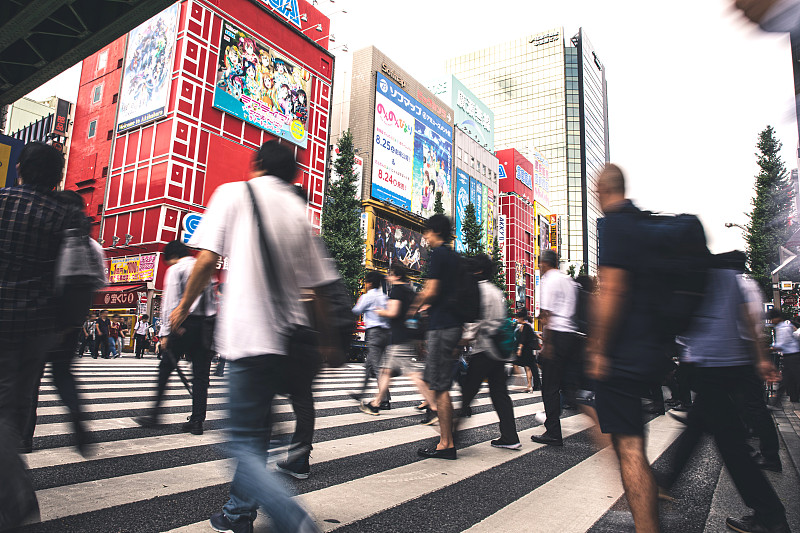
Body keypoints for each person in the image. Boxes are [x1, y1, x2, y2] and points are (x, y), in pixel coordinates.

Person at [171, 140, 333, 533]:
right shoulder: (298, 211)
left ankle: (293, 519)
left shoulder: (233, 193)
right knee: (256, 437)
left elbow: (207, 259)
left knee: (241, 440)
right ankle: (238, 511)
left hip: (246, 338)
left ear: (256, 162)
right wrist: (328, 343)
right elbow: (320, 287)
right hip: (287, 343)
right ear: (292, 173)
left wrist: (182, 307)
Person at [656, 253, 789, 533]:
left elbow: (686, 322)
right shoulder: (733, 280)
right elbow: (747, 325)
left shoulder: (707, 277)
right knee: (700, 428)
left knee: (731, 445)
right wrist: (759, 358)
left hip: (713, 366)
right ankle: (665, 482)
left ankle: (771, 516)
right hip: (729, 365)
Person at [0, 142, 80, 529]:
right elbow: (71, 275)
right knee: (14, 406)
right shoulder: (62, 214)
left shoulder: (1, 202)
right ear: (57, 178)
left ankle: (17, 497)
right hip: (37, 327)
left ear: (20, 169)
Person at [587, 164, 664, 533]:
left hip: (622, 351)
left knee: (629, 447)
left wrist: (600, 346)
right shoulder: (644, 224)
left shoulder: (614, 225)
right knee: (631, 443)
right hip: (651, 348)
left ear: (603, 189)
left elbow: (612, 289)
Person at [134, 241, 217, 435]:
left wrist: (164, 333)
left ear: (171, 256)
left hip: (182, 325)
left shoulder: (177, 269)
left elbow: (170, 303)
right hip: (205, 326)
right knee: (200, 376)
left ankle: (155, 414)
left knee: (165, 368)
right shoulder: (204, 269)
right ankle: (197, 420)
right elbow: (213, 302)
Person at [408, 214, 463, 460]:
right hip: (453, 325)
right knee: (440, 385)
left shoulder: (439, 254)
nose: (425, 237)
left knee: (440, 387)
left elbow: (432, 290)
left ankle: (446, 444)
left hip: (442, 326)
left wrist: (414, 306)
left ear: (435, 232)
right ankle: (446, 440)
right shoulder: (455, 257)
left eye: (427, 232)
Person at [456, 255, 521, 449]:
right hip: (498, 352)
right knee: (499, 393)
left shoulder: (479, 290)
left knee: (468, 393)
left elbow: (476, 323)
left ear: (477, 271)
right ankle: (510, 436)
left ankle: (451, 437)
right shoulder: (496, 290)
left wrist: (461, 341)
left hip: (484, 350)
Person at [360, 263, 434, 416]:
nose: (388, 277)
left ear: (397, 275)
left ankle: (434, 407)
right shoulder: (410, 290)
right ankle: (376, 403)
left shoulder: (397, 290)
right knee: (386, 371)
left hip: (400, 337)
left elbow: (393, 312)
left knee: (412, 373)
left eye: (390, 274)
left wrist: (381, 311)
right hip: (409, 335)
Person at [531, 248, 581, 447]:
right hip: (571, 336)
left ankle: (553, 432)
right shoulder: (567, 280)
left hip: (557, 336)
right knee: (569, 386)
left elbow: (546, 314)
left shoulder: (548, 280)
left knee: (550, 387)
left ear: (544, 263)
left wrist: (547, 344)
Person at [350, 271, 391, 407]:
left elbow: (356, 311)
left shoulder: (367, 297)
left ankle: (384, 400)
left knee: (376, 366)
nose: (365, 284)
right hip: (385, 333)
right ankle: (361, 392)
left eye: (366, 282)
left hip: (374, 333)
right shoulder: (384, 297)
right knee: (370, 365)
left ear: (370, 283)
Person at [770, 309, 800, 405]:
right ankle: (776, 402)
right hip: (789, 357)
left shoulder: (784, 328)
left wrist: (769, 349)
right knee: (785, 380)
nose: (771, 321)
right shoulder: (782, 327)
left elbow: (781, 344)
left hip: (793, 357)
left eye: (772, 319)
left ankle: (775, 403)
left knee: (791, 378)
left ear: (777, 318)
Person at [513, 310, 540, 392]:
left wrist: (519, 349)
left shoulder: (525, 327)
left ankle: (529, 385)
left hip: (526, 351)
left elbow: (523, 339)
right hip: (529, 351)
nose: (517, 320)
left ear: (521, 318)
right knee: (530, 368)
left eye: (517, 318)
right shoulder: (527, 326)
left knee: (527, 367)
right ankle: (531, 385)